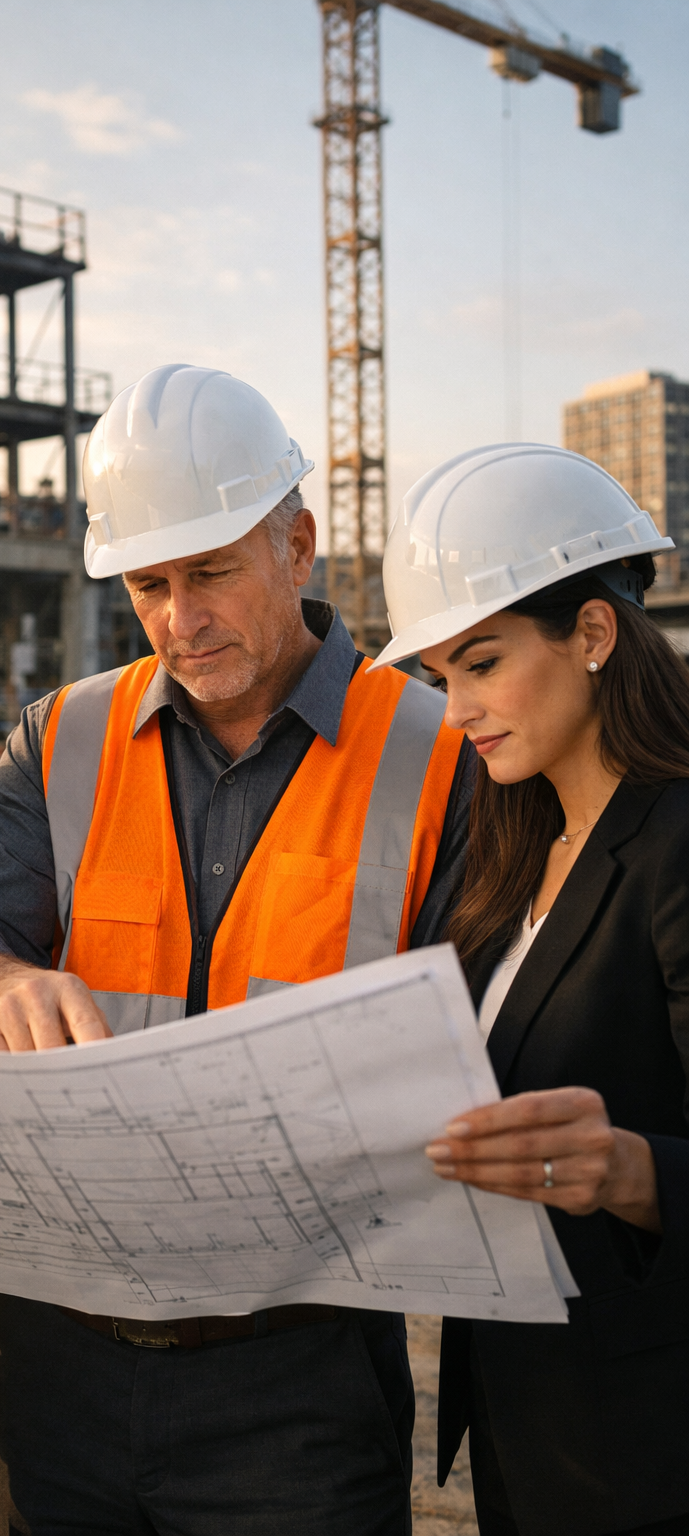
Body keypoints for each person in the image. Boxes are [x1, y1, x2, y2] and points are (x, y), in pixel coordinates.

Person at [0, 363, 474, 1535]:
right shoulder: (61, 739)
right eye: (149, 584)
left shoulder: (438, 751)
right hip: (60, 1366)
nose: (178, 618)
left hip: (296, 1381)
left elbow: (495, 1034)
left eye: (210, 572)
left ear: (297, 545)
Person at [370, 443, 689, 1536]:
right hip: (530, 1425)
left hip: (649, 1452)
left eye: (483, 663)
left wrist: (627, 1168)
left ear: (593, 635)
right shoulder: (512, 854)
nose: (455, 709)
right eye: (441, 677)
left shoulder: (677, 845)